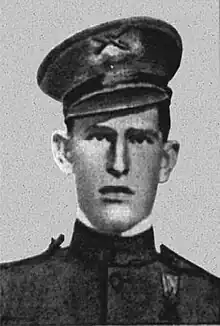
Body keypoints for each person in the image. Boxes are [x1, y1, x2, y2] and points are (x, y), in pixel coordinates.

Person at [0, 16, 219, 325]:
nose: (119, 164)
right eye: (100, 137)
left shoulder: (208, 301)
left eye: (140, 139)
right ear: (64, 152)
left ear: (166, 160)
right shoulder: (10, 295)